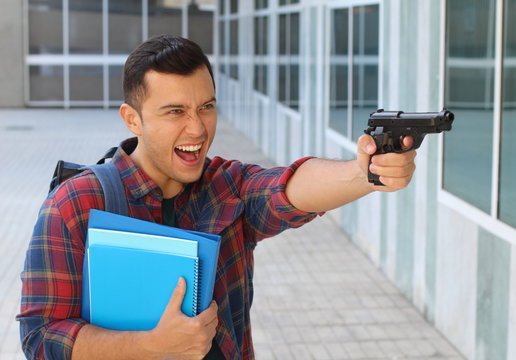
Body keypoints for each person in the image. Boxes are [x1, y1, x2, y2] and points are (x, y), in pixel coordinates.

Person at [17, 35, 416, 360]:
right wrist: (148, 346)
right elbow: (41, 339)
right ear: (132, 118)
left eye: (206, 107)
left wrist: (363, 173)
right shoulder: (76, 204)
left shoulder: (227, 184)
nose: (197, 129)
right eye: (175, 112)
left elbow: (287, 189)